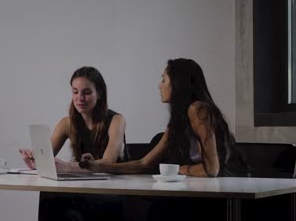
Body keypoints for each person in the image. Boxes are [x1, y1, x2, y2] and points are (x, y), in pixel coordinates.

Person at [19, 66, 129, 221]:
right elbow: (47, 159)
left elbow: (108, 162)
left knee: (56, 200)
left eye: (87, 92)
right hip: (80, 199)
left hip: (113, 197)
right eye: (75, 92)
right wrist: (34, 160)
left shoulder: (116, 120)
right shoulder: (67, 123)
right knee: (67, 217)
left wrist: (68, 167)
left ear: (100, 93)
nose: (80, 98)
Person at [80, 58, 246, 177]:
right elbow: (144, 164)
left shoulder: (198, 110)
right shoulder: (178, 120)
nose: (159, 85)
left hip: (233, 190)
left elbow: (211, 170)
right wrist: (98, 166)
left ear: (178, 83)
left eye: (164, 79)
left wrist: (180, 169)